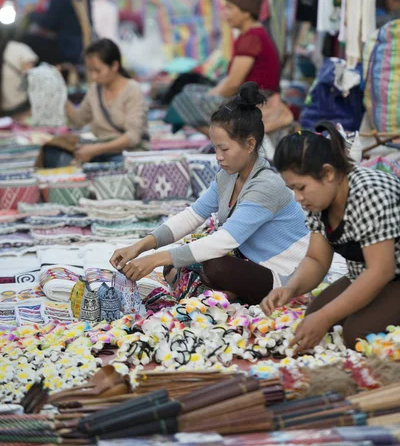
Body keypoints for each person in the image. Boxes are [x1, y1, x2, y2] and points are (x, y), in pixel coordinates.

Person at [110, 82, 309, 304]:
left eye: (224, 149)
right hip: (249, 262)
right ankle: (225, 295)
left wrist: (153, 259)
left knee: (213, 264)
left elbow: (224, 241)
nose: (218, 156)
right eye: (215, 148)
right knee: (177, 261)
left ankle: (222, 294)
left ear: (250, 144)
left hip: (283, 276)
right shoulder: (228, 176)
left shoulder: (266, 185)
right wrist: (139, 247)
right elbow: (192, 216)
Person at [261, 122, 400, 351]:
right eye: (292, 188)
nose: (297, 197)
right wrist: (291, 288)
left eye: (301, 187)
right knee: (313, 316)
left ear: (328, 173)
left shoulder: (369, 193)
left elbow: (380, 271)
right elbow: (317, 259)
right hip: (367, 274)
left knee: (356, 334)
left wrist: (326, 317)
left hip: (391, 274)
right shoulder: (320, 200)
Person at [166, 0, 281, 135]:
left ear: (246, 12)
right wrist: (207, 95)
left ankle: (227, 141)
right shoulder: (250, 35)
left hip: (253, 103)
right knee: (190, 90)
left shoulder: (251, 38)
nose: (224, 13)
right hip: (246, 98)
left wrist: (207, 97)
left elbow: (233, 84)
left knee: (183, 101)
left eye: (230, 8)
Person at [65, 39, 148, 163]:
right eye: (90, 70)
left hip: (129, 154)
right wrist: (61, 97)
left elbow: (133, 137)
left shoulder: (132, 90)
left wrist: (96, 150)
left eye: (97, 71)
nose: (93, 76)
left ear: (114, 66)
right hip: (102, 152)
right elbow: (78, 121)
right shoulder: (95, 90)